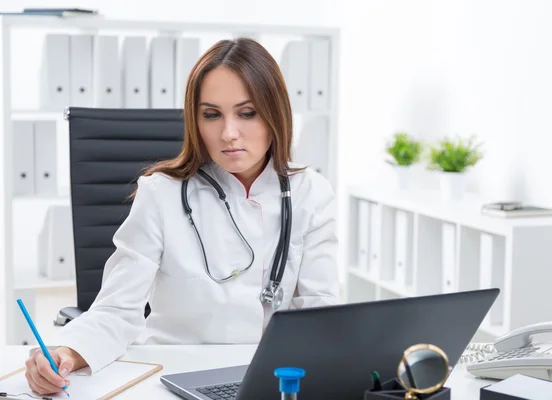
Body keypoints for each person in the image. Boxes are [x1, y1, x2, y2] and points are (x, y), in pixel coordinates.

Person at [24, 37, 340, 395]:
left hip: (271, 379)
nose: (228, 133)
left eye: (247, 113)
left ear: (275, 114)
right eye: (211, 115)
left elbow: (320, 313)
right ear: (195, 120)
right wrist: (66, 352)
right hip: (173, 373)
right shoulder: (161, 193)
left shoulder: (310, 192)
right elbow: (116, 310)